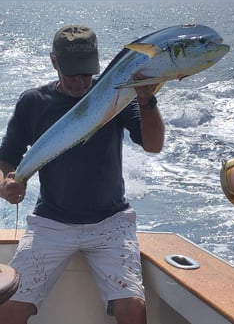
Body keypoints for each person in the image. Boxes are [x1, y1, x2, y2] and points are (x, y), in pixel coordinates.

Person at [0, 25, 165, 324]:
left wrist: (146, 100)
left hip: (111, 222)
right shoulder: (33, 102)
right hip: (51, 221)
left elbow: (153, 145)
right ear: (53, 61)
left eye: (86, 73)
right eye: (72, 73)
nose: (80, 82)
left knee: (133, 309)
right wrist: (5, 185)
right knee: (8, 308)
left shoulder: (115, 94)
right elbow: (5, 159)